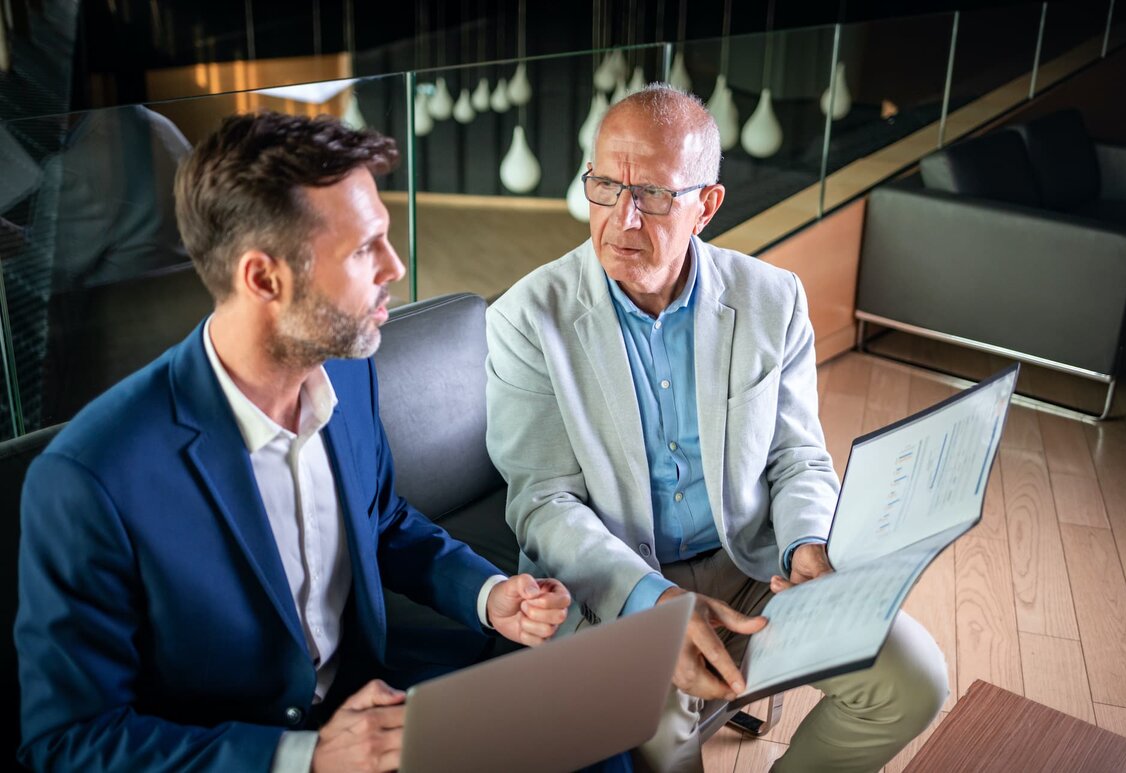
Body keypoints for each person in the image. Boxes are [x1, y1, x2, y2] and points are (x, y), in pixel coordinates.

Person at [16, 111, 572, 772]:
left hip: (382, 702)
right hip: (247, 754)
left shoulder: (349, 365)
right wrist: (304, 757)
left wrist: (487, 595)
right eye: (365, 248)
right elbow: (69, 739)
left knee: (587, 727)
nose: (395, 266)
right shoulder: (88, 478)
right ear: (263, 278)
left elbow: (384, 521)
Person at [485, 83, 948, 772]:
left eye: (655, 195)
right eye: (606, 185)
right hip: (618, 589)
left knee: (914, 678)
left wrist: (809, 543)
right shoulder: (526, 318)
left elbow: (797, 456)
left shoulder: (773, 298)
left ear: (706, 205)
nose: (623, 218)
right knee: (662, 734)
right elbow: (543, 504)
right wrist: (657, 603)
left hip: (753, 570)